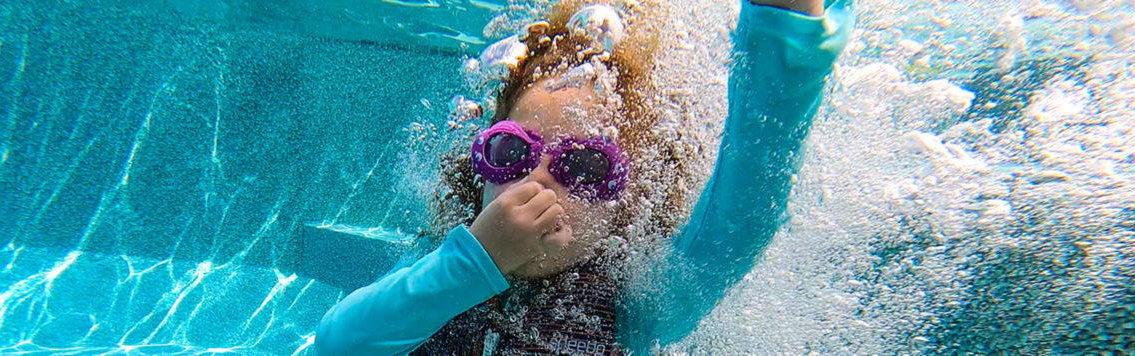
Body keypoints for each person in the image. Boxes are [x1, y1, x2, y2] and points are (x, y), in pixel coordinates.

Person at [316, 0, 855, 354]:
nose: (537, 181)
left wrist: (785, 37)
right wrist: (477, 260)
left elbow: (740, 217)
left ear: (629, 202)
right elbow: (337, 343)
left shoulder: (636, 304)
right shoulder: (447, 261)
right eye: (512, 151)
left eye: (585, 167)